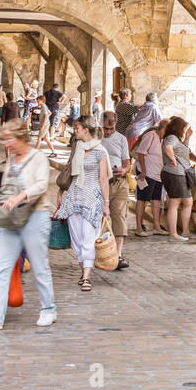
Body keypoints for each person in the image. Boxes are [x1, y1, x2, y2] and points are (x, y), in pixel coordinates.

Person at [0, 117, 57, 331]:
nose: (6, 144)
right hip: (11, 219)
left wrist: (20, 197)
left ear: (20, 137)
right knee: (2, 266)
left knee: (39, 265)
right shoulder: (12, 160)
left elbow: (41, 184)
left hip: (35, 216)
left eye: (8, 139)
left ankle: (48, 309)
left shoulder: (38, 158)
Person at [56, 116, 111, 292]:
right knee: (76, 239)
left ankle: (87, 276)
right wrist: (60, 192)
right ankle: (83, 271)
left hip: (91, 198)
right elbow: (68, 172)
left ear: (86, 130)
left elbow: (103, 179)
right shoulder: (77, 147)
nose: (74, 131)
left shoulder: (100, 151)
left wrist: (106, 204)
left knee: (88, 238)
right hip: (74, 197)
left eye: (77, 128)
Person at [162, 116, 196, 241]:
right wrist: (173, 160)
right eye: (184, 128)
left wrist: (187, 138)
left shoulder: (177, 140)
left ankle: (185, 231)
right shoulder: (171, 138)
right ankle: (173, 234)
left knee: (188, 202)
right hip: (175, 174)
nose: (184, 130)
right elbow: (167, 148)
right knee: (175, 203)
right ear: (178, 128)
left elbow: (185, 152)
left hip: (180, 174)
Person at [99, 111, 133, 269]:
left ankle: (117, 255)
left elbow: (127, 162)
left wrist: (124, 170)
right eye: (105, 128)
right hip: (100, 183)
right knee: (98, 218)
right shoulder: (95, 138)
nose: (108, 132)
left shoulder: (121, 139)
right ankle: (98, 252)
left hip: (118, 182)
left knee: (119, 217)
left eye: (111, 129)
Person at [132, 117, 170, 235]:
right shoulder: (151, 136)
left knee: (156, 200)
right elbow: (141, 153)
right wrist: (143, 171)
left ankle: (157, 227)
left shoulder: (163, 140)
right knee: (142, 199)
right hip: (147, 173)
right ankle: (139, 227)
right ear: (163, 128)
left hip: (157, 174)